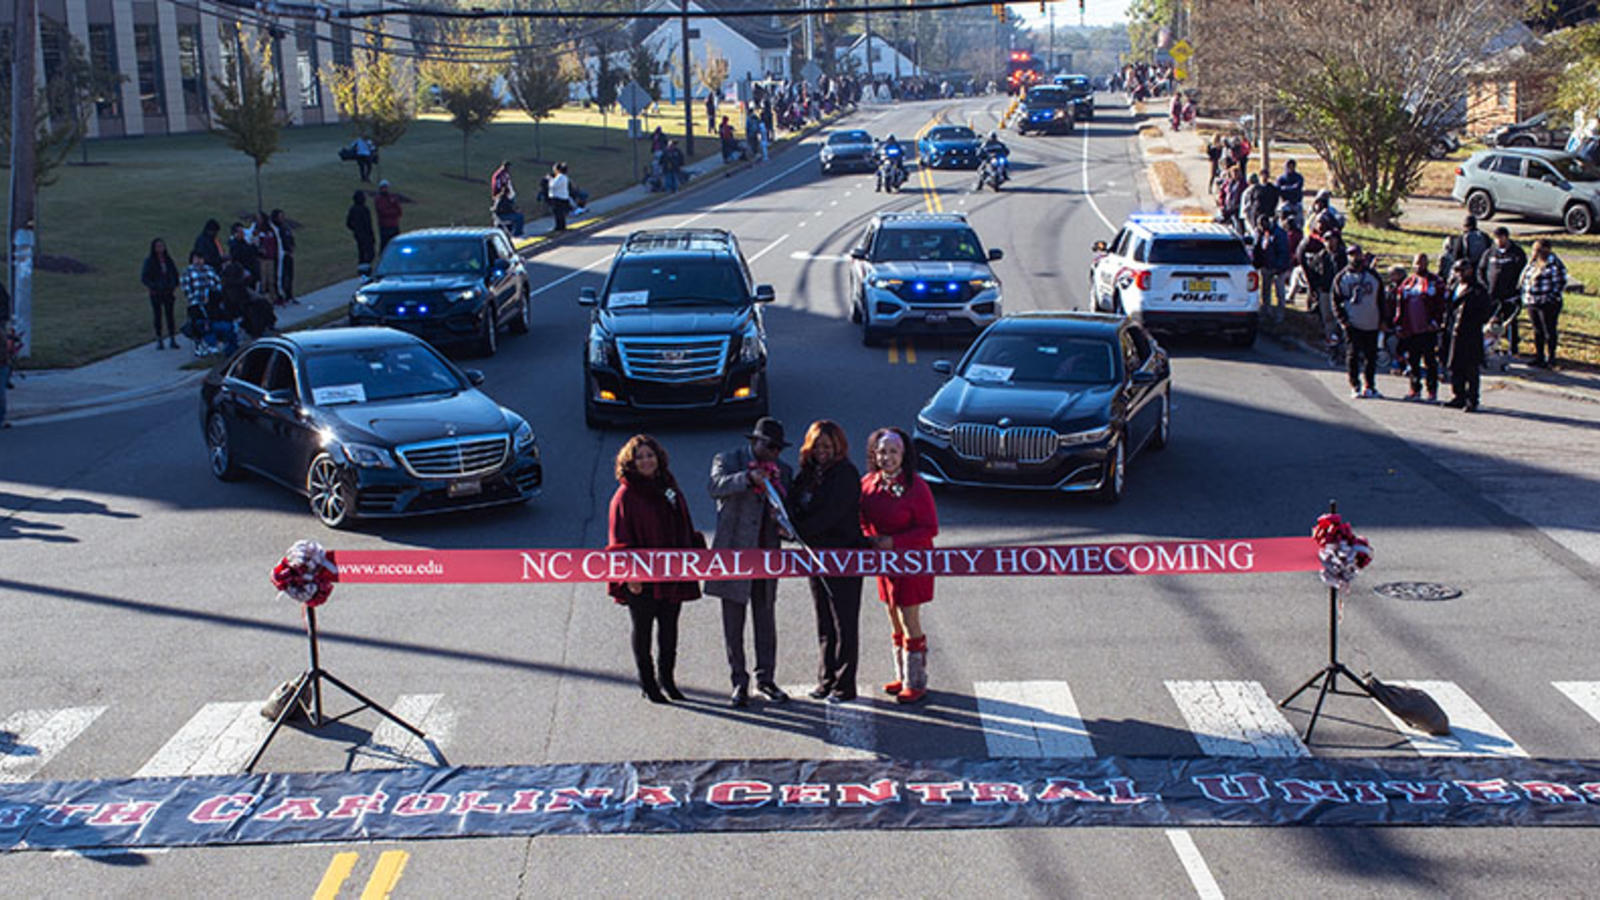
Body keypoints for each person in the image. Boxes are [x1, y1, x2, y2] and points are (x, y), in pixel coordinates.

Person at [707, 417, 794, 708]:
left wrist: (783, 525)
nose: (774, 453)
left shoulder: (784, 471)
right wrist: (747, 479)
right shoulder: (728, 460)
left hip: (767, 554)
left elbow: (789, 511)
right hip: (734, 553)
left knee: (765, 617)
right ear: (754, 442)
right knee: (733, 621)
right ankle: (738, 681)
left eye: (778, 448)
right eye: (769, 446)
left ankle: (766, 679)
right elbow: (715, 486)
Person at [607, 435, 702, 704]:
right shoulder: (625, 495)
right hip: (642, 580)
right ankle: (648, 684)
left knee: (670, 630)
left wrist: (692, 555)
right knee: (643, 630)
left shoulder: (669, 487)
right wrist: (629, 575)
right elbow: (619, 539)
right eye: (640, 458)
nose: (646, 461)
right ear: (630, 463)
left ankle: (668, 680)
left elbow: (684, 522)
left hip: (672, 573)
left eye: (650, 456)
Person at [787, 420, 865, 704]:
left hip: (844, 556)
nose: (822, 451)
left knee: (844, 622)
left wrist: (799, 531)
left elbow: (832, 514)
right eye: (818, 446)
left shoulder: (845, 474)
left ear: (838, 448)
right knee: (824, 622)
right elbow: (794, 503)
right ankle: (826, 680)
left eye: (828, 447)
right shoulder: (807, 474)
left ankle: (845, 685)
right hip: (815, 556)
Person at [859, 427, 939, 705]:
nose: (887, 457)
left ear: (904, 455)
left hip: (912, 561)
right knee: (892, 616)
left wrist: (895, 542)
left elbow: (930, 528)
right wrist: (870, 539)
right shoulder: (868, 484)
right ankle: (902, 674)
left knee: (909, 618)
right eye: (882, 452)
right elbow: (861, 519)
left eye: (893, 452)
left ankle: (916, 681)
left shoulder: (916, 486)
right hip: (885, 563)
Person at [1333, 244, 1384, 399]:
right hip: (1353, 323)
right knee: (1353, 355)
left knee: (1371, 356)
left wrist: (1383, 320)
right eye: (1351, 254)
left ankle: (1370, 386)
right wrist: (1343, 320)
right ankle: (1355, 385)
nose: (1355, 257)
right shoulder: (1342, 277)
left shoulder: (1373, 276)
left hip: (1372, 322)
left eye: (1357, 254)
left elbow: (1381, 299)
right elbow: (1335, 301)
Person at [1392, 253, 1445, 401]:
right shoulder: (1408, 282)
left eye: (1422, 263)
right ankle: (1414, 389)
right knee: (1413, 360)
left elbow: (1441, 305)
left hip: (1427, 329)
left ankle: (1432, 390)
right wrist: (1399, 325)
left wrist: (1436, 322)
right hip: (1411, 329)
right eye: (1416, 263)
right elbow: (1399, 305)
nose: (1419, 266)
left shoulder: (1435, 282)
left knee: (1429, 361)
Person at [1444, 259, 1494, 411]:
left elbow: (1486, 312)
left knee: (1470, 368)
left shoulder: (1478, 290)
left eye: (1462, 271)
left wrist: (1473, 322)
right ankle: (1458, 396)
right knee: (1455, 366)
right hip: (1453, 332)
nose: (1459, 274)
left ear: (1470, 271)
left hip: (1470, 334)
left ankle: (1472, 399)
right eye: (1457, 271)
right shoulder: (1455, 287)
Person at [1477, 226, 1527, 358]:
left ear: (1506, 237)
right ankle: (1488, 347)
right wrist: (1485, 287)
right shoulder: (1489, 253)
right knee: (1489, 322)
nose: (1498, 241)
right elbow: (1481, 270)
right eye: (1496, 238)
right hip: (1492, 294)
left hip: (1510, 295)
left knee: (1511, 323)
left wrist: (1516, 290)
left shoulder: (1517, 253)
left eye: (1500, 238)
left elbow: (1522, 273)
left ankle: (1513, 347)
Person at [1519, 238, 1567, 368]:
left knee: (1549, 330)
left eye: (1538, 250)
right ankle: (1539, 356)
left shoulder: (1554, 264)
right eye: (1534, 249)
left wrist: (1551, 297)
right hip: (1532, 301)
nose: (1535, 252)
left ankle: (1551, 358)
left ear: (1547, 250)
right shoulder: (1533, 263)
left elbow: (1561, 282)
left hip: (1548, 303)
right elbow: (1525, 279)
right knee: (1537, 330)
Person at [140, 238, 181, 350]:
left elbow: (175, 274)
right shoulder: (149, 261)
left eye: (162, 246)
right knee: (157, 316)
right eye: (158, 246)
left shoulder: (168, 260)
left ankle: (172, 338)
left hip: (168, 292)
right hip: (156, 293)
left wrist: (173, 285)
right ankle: (159, 339)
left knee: (170, 315)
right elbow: (144, 277)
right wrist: (154, 286)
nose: (160, 248)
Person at [1253, 214, 1292, 312]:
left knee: (1279, 292)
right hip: (1266, 266)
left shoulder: (1279, 234)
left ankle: (1280, 314)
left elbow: (1283, 252)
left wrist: (1279, 268)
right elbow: (1258, 249)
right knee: (1265, 291)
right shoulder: (1261, 234)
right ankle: (1266, 311)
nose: (1261, 228)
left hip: (1278, 268)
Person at [252, 212, 281, 306]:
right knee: (263, 280)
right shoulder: (257, 231)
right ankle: (264, 299)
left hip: (270, 258)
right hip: (262, 259)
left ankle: (273, 297)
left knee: (271, 279)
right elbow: (254, 242)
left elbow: (274, 243)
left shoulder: (270, 230)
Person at [270, 209, 297, 304]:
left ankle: (289, 294)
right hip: (281, 255)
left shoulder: (285, 227)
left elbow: (291, 239)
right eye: (280, 216)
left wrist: (292, 248)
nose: (282, 218)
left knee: (290, 275)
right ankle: (281, 295)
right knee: (282, 276)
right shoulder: (274, 229)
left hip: (289, 254)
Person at [346, 191, 376, 275]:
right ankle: (365, 269)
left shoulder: (353, 209)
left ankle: (362, 269)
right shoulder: (364, 209)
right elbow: (368, 224)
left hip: (359, 234)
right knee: (369, 252)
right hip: (365, 234)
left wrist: (355, 229)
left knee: (362, 252)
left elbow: (348, 223)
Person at [227, 222, 259, 290]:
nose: (243, 234)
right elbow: (238, 256)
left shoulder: (245, 243)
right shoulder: (234, 245)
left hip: (250, 269)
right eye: (240, 232)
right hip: (240, 270)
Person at [374, 180, 403, 252]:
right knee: (384, 244)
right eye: (383, 188)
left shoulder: (392, 198)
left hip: (394, 225)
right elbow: (383, 212)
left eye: (386, 187)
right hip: (384, 226)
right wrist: (393, 211)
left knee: (395, 242)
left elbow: (399, 211)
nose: (385, 189)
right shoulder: (379, 199)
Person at [547, 162, 572, 232]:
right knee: (560, 213)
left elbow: (553, 185)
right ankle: (562, 226)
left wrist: (550, 180)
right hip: (563, 197)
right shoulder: (564, 177)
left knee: (558, 213)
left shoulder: (560, 177)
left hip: (558, 198)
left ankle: (559, 227)